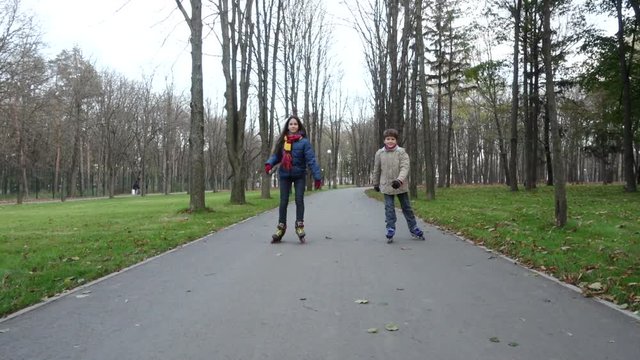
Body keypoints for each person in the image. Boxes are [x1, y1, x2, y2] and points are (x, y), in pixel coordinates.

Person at [265, 115, 322, 244]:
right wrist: (269, 164)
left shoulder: (304, 142)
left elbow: (311, 160)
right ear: (288, 126)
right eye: (291, 124)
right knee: (283, 202)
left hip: (299, 175)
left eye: (295, 124)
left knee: (299, 200)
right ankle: (281, 228)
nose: (293, 126)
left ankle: (299, 226)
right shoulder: (283, 141)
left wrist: (317, 177)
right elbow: (277, 156)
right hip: (284, 174)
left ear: (299, 126)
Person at [372, 128, 425, 243]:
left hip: (400, 185)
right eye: (388, 139)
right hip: (386, 186)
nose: (390, 141)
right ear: (384, 140)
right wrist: (375, 183)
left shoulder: (401, 152)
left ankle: (413, 228)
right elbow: (376, 169)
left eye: (392, 139)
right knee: (389, 209)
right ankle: (390, 228)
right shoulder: (379, 153)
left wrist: (399, 180)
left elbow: (405, 167)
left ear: (396, 140)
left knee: (407, 208)